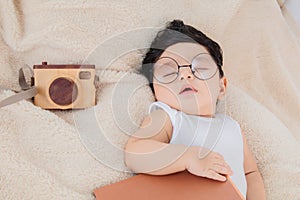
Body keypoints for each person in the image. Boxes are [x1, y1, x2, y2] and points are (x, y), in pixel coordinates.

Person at [124, 19, 266, 200]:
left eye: (199, 68)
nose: (185, 74)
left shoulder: (232, 126)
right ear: (155, 92)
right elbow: (135, 153)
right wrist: (188, 158)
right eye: (169, 73)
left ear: (221, 87)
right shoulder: (169, 118)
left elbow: (251, 174)